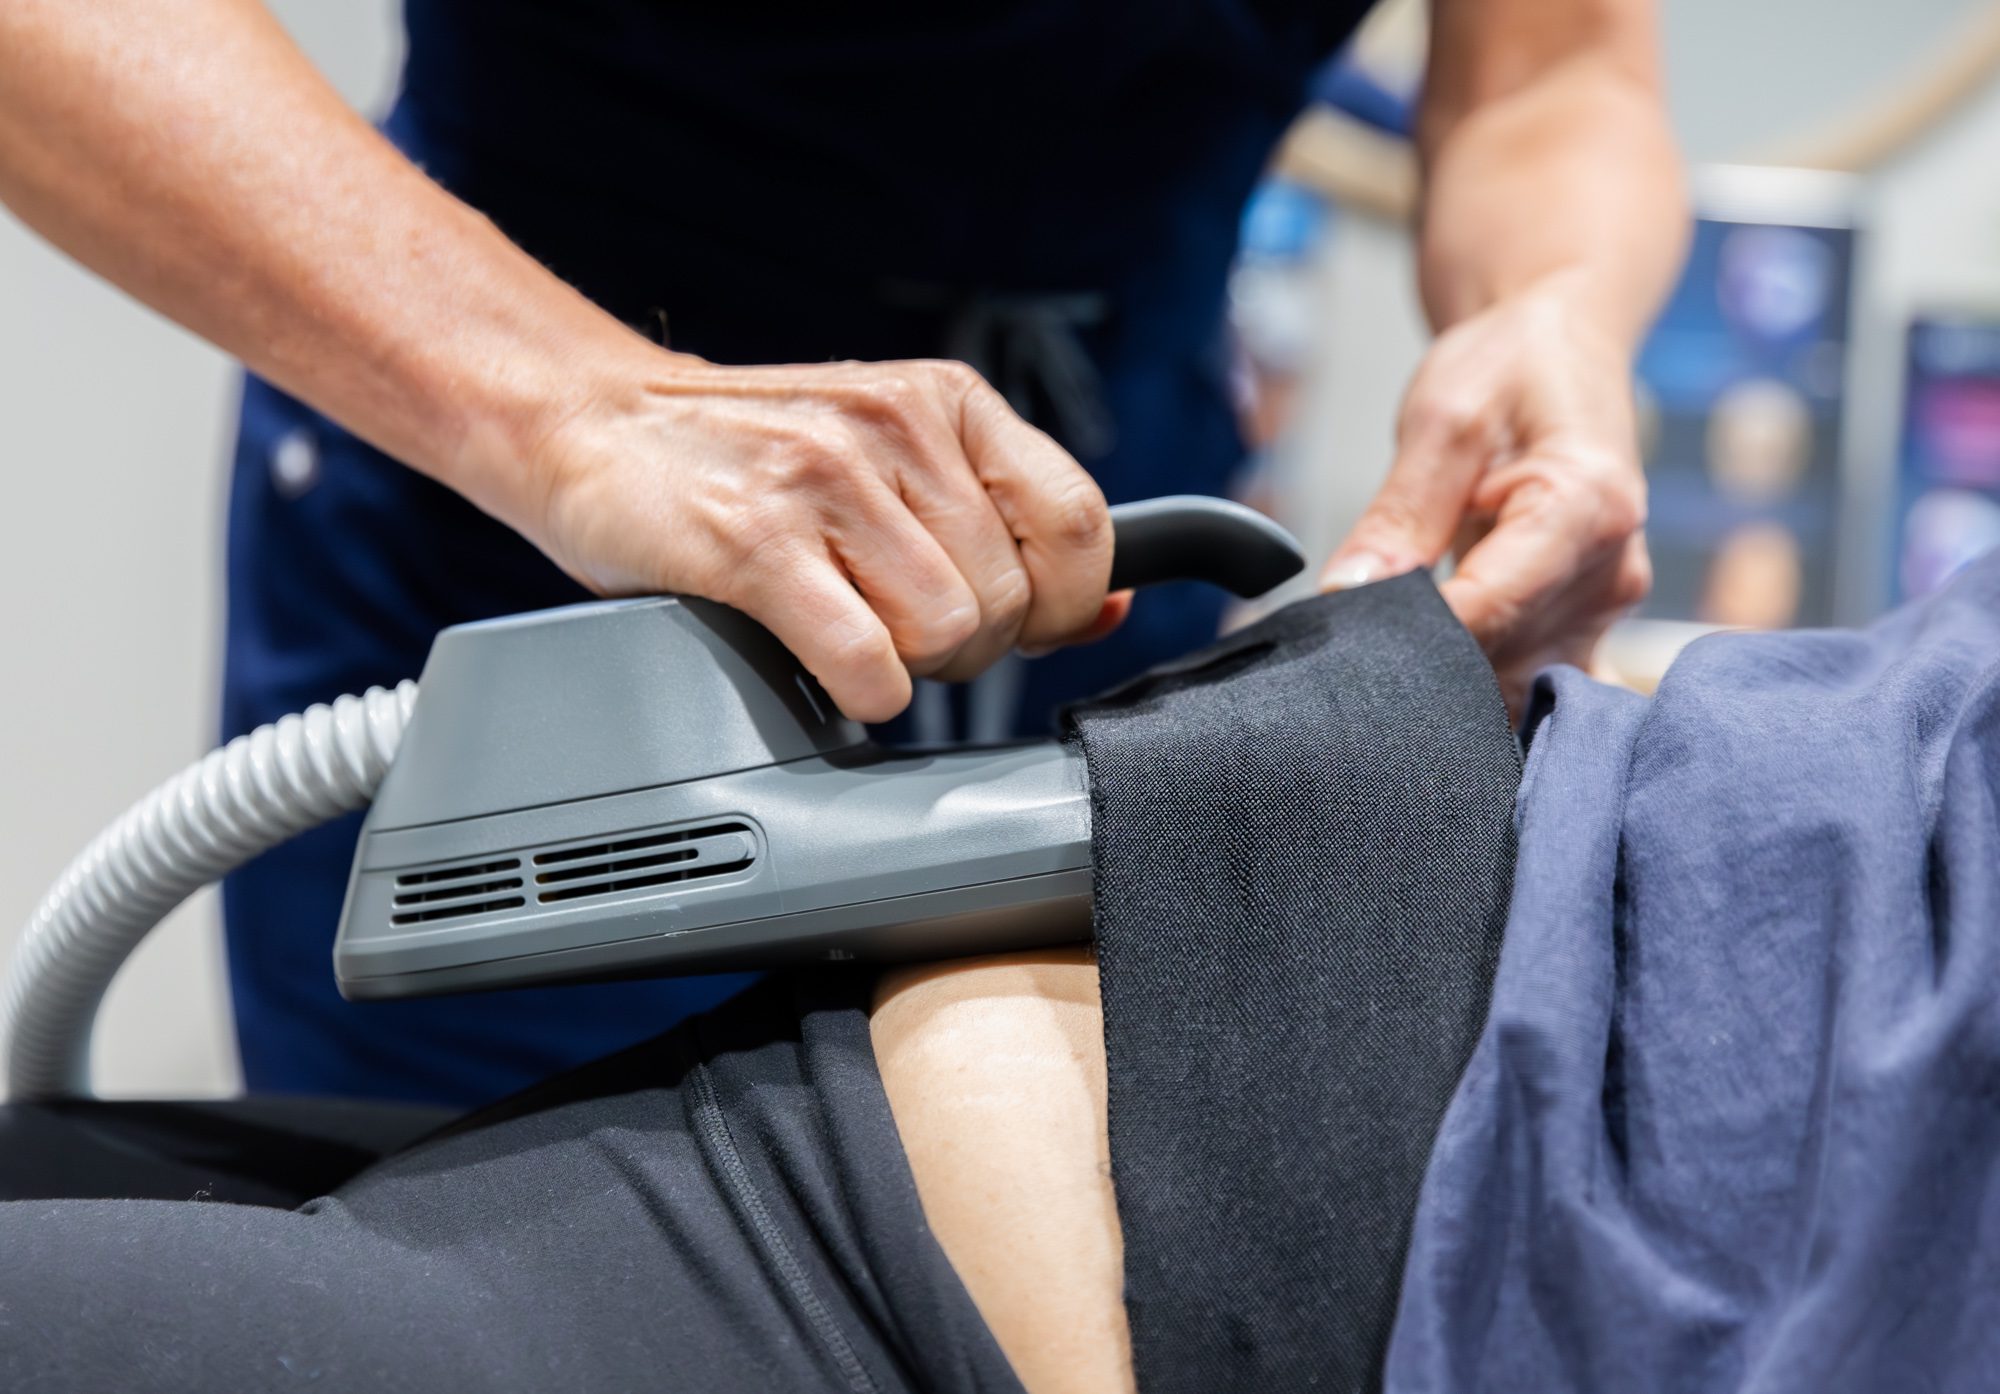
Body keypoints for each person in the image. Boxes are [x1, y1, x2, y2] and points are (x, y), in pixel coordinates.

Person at [0, 0, 1685, 1105]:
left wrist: (1556, 309)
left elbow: (1551, 76)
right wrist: (584, 405)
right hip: (526, 539)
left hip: (1111, 564)